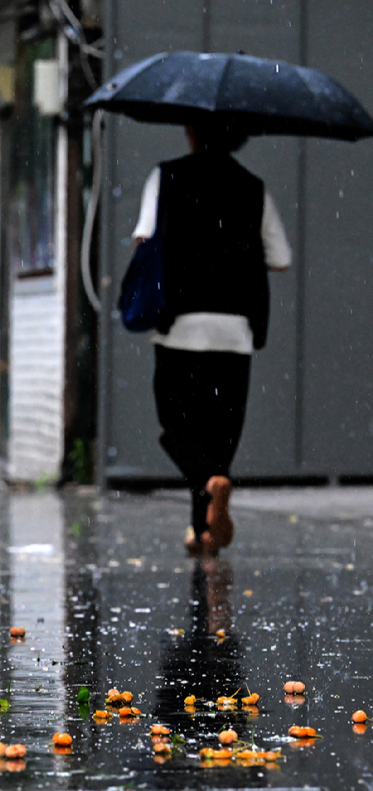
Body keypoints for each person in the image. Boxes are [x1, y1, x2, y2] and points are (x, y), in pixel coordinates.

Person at [132, 121, 291, 554]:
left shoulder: (165, 176)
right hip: (235, 330)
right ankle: (202, 529)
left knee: (177, 428)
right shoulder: (252, 187)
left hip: (180, 324)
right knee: (219, 434)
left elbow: (144, 241)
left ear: (190, 133)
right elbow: (280, 258)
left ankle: (208, 489)